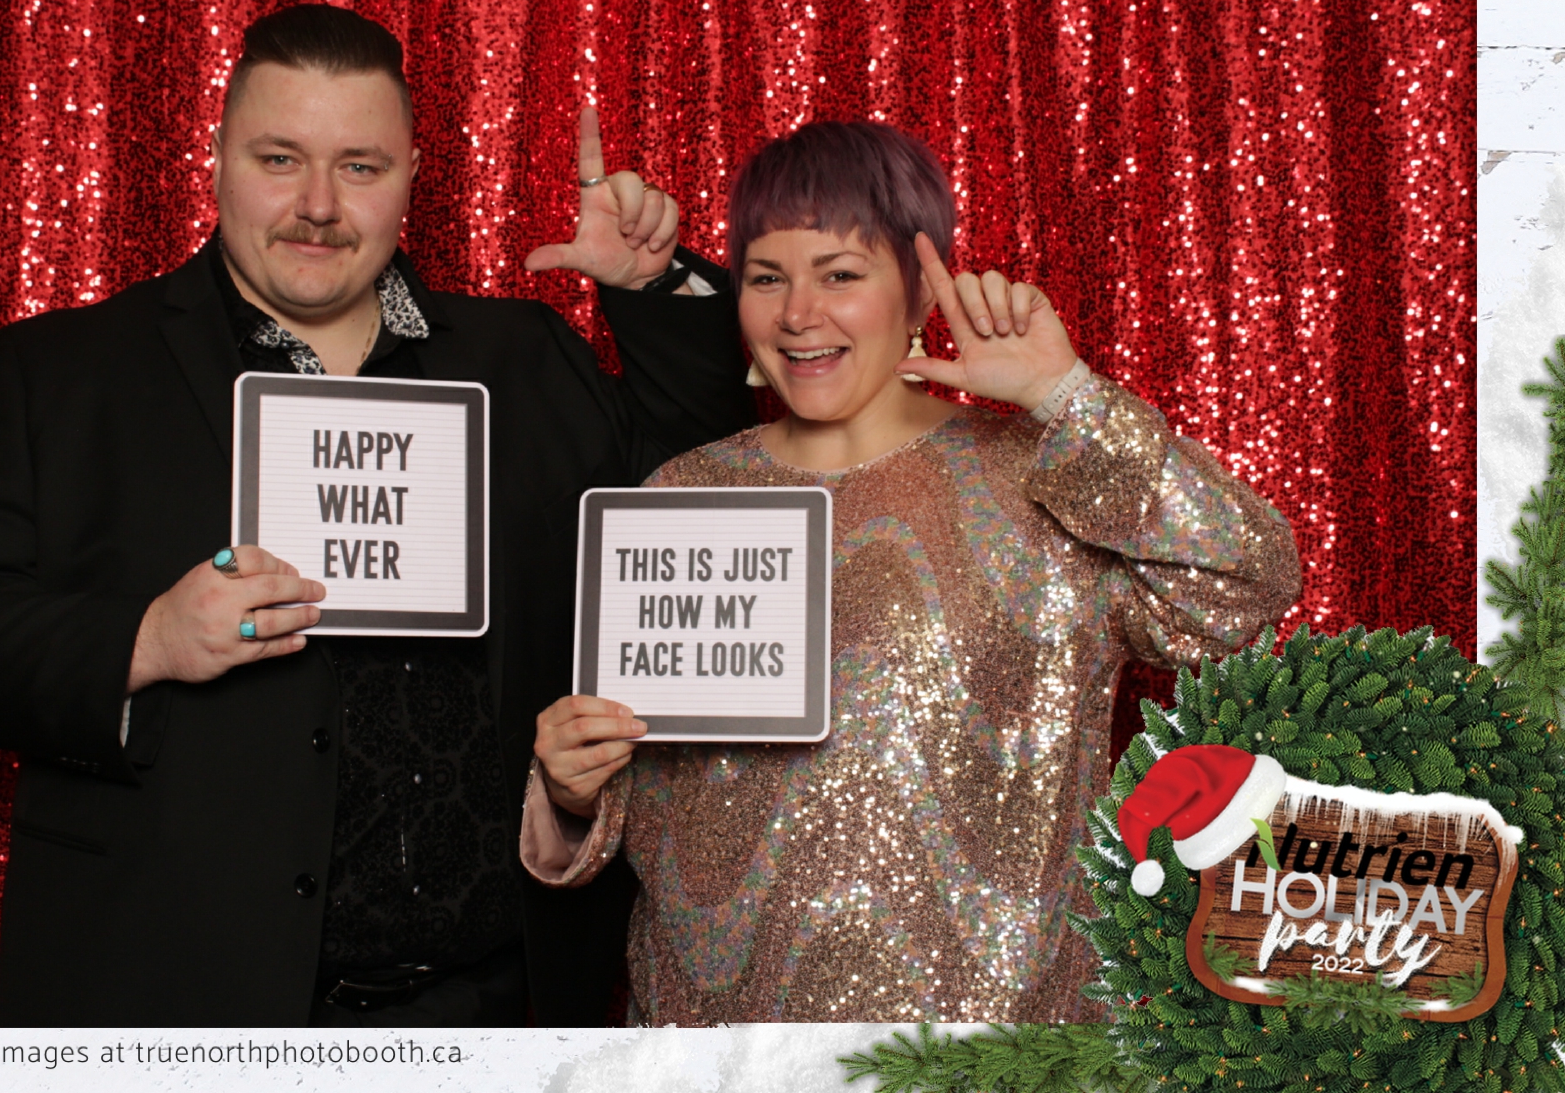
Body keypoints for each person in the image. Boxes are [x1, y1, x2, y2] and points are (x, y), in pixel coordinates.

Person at [0, 4, 756, 1026]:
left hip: (500, 1007)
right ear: (218, 159)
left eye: (359, 167)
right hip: (185, 1006)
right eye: (279, 159)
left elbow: (702, 493)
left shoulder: (523, 357)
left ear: (411, 177)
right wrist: (146, 639)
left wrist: (654, 289)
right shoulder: (64, 373)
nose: (318, 206)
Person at [523, 120, 1302, 1023]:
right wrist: (573, 790)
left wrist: (1068, 400)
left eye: (840, 275)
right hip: (720, 1049)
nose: (797, 314)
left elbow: (1246, 587)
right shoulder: (680, 495)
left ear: (920, 291)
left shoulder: (1044, 475)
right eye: (767, 278)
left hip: (997, 1050)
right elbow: (654, 783)